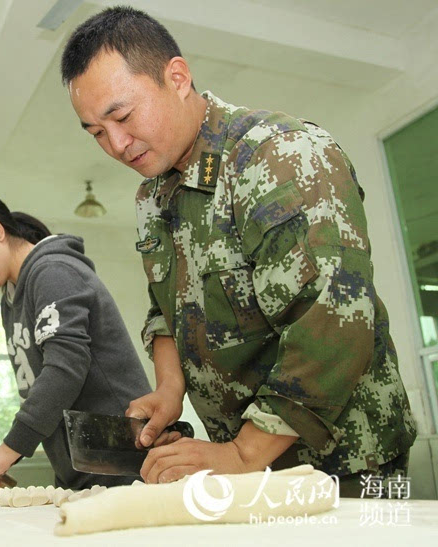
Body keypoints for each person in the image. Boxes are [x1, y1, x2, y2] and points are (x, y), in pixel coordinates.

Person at [60, 6, 416, 496]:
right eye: (97, 133)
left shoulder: (281, 156)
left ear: (178, 77)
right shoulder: (154, 197)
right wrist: (169, 390)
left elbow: (334, 322)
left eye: (122, 116)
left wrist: (242, 453)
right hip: (245, 467)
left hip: (346, 461)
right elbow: (167, 309)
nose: (117, 145)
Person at [0, 189, 153, 497]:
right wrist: (8, 458)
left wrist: (7, 450)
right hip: (79, 471)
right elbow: (37, 387)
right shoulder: (10, 299)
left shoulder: (54, 271)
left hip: (123, 465)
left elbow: (66, 368)